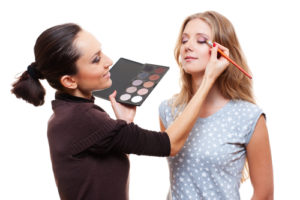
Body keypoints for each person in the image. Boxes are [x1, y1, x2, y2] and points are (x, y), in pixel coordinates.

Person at [11, 23, 228, 200]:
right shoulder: (84, 119)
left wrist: (123, 125)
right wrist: (208, 79)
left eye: (101, 52)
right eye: (96, 59)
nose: (109, 62)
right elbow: (170, 145)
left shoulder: (67, 113)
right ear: (69, 80)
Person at [159, 11, 273, 200]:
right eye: (184, 40)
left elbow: (265, 194)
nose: (188, 46)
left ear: (222, 52)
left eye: (201, 40)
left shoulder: (249, 117)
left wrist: (210, 78)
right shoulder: (168, 110)